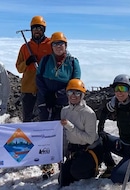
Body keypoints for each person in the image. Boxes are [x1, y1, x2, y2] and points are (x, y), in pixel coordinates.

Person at [36, 31, 81, 179]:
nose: (58, 46)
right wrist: (46, 95)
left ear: (65, 45)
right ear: (51, 46)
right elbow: (39, 78)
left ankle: (63, 161)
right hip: (45, 101)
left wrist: (57, 95)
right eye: (55, 43)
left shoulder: (73, 62)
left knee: (63, 133)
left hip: (64, 102)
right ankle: (47, 164)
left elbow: (75, 84)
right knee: (46, 131)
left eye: (61, 43)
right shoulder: (45, 60)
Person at [59, 79, 103, 187]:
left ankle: (93, 169)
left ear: (82, 95)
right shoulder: (64, 111)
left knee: (76, 172)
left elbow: (90, 139)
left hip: (88, 149)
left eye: (77, 93)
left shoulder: (89, 113)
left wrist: (70, 127)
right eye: (70, 92)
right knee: (63, 179)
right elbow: (65, 134)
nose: (73, 96)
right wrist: (62, 154)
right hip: (73, 149)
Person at [16, 15, 52, 122]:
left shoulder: (50, 45)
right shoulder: (25, 47)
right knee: (27, 119)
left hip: (45, 88)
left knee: (44, 119)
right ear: (31, 30)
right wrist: (27, 62)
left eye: (40, 28)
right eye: (35, 28)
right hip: (28, 89)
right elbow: (19, 68)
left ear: (43, 30)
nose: (37, 31)